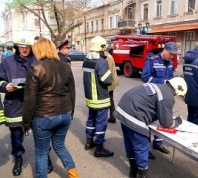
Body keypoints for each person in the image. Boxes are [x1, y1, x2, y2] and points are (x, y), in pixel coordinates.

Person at [22, 38, 78, 178]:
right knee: (60, 145)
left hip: (43, 117)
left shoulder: (36, 68)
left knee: (41, 153)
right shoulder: (66, 66)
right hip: (64, 114)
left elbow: (30, 100)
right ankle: (73, 174)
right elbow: (72, 92)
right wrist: (70, 113)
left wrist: (25, 122)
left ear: (38, 51)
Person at [113, 77, 187, 178]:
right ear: (176, 89)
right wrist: (177, 121)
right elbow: (166, 123)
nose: (175, 96)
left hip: (123, 110)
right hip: (134, 115)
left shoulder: (159, 86)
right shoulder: (167, 95)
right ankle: (143, 174)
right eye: (177, 95)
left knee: (129, 142)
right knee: (141, 145)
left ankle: (133, 171)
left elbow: (148, 103)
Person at [0, 38, 37, 176]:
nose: (25, 49)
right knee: (16, 136)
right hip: (14, 103)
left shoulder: (37, 60)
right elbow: (0, 79)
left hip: (35, 104)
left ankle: (45, 157)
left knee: (41, 135)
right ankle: (18, 158)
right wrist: (5, 86)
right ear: (17, 47)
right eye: (21, 46)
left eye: (27, 46)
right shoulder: (7, 62)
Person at [141, 42, 178, 158]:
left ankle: (158, 143)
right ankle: (146, 147)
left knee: (163, 117)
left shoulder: (170, 62)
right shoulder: (152, 60)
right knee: (150, 119)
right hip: (152, 95)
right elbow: (145, 77)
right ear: (165, 50)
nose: (172, 57)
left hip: (165, 95)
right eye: (171, 54)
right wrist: (163, 82)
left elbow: (171, 77)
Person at [83, 35, 114, 157]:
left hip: (90, 98)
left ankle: (89, 142)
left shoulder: (87, 60)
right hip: (101, 99)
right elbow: (107, 80)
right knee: (101, 123)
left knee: (91, 119)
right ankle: (99, 148)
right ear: (102, 47)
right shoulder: (101, 62)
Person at [105, 49, 119, 123]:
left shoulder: (108, 57)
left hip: (110, 81)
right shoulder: (107, 56)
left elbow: (107, 70)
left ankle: (112, 116)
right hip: (110, 80)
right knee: (110, 99)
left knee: (110, 99)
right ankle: (112, 116)